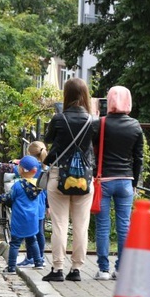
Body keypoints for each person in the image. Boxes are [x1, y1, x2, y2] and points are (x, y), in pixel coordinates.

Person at [41, 77, 99, 283]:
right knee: (81, 225)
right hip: (84, 178)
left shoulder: (59, 119)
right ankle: (76, 269)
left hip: (59, 175)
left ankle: (57, 269)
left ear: (66, 95)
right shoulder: (93, 121)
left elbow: (48, 139)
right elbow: (95, 146)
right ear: (85, 96)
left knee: (59, 224)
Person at [92, 86, 144, 280]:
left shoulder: (101, 123)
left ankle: (103, 270)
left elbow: (92, 151)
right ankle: (121, 269)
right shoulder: (135, 125)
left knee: (103, 226)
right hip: (125, 181)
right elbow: (138, 158)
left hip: (103, 181)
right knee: (124, 226)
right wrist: (134, 182)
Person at [0, 141, 48, 267]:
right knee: (35, 237)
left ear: (22, 169)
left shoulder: (18, 185)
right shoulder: (42, 176)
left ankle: (11, 267)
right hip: (37, 212)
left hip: (20, 218)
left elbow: (7, 197)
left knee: (15, 243)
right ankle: (39, 260)